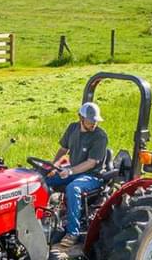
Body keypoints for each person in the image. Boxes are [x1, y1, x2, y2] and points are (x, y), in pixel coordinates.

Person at [46, 102, 109, 251]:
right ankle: (44, 217)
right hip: (73, 170)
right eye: (90, 120)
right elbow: (63, 149)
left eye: (95, 121)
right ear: (80, 117)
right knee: (44, 179)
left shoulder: (100, 136)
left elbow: (91, 163)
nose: (93, 123)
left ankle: (72, 233)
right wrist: (52, 165)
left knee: (73, 188)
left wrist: (70, 171)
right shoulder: (72, 128)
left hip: (92, 176)